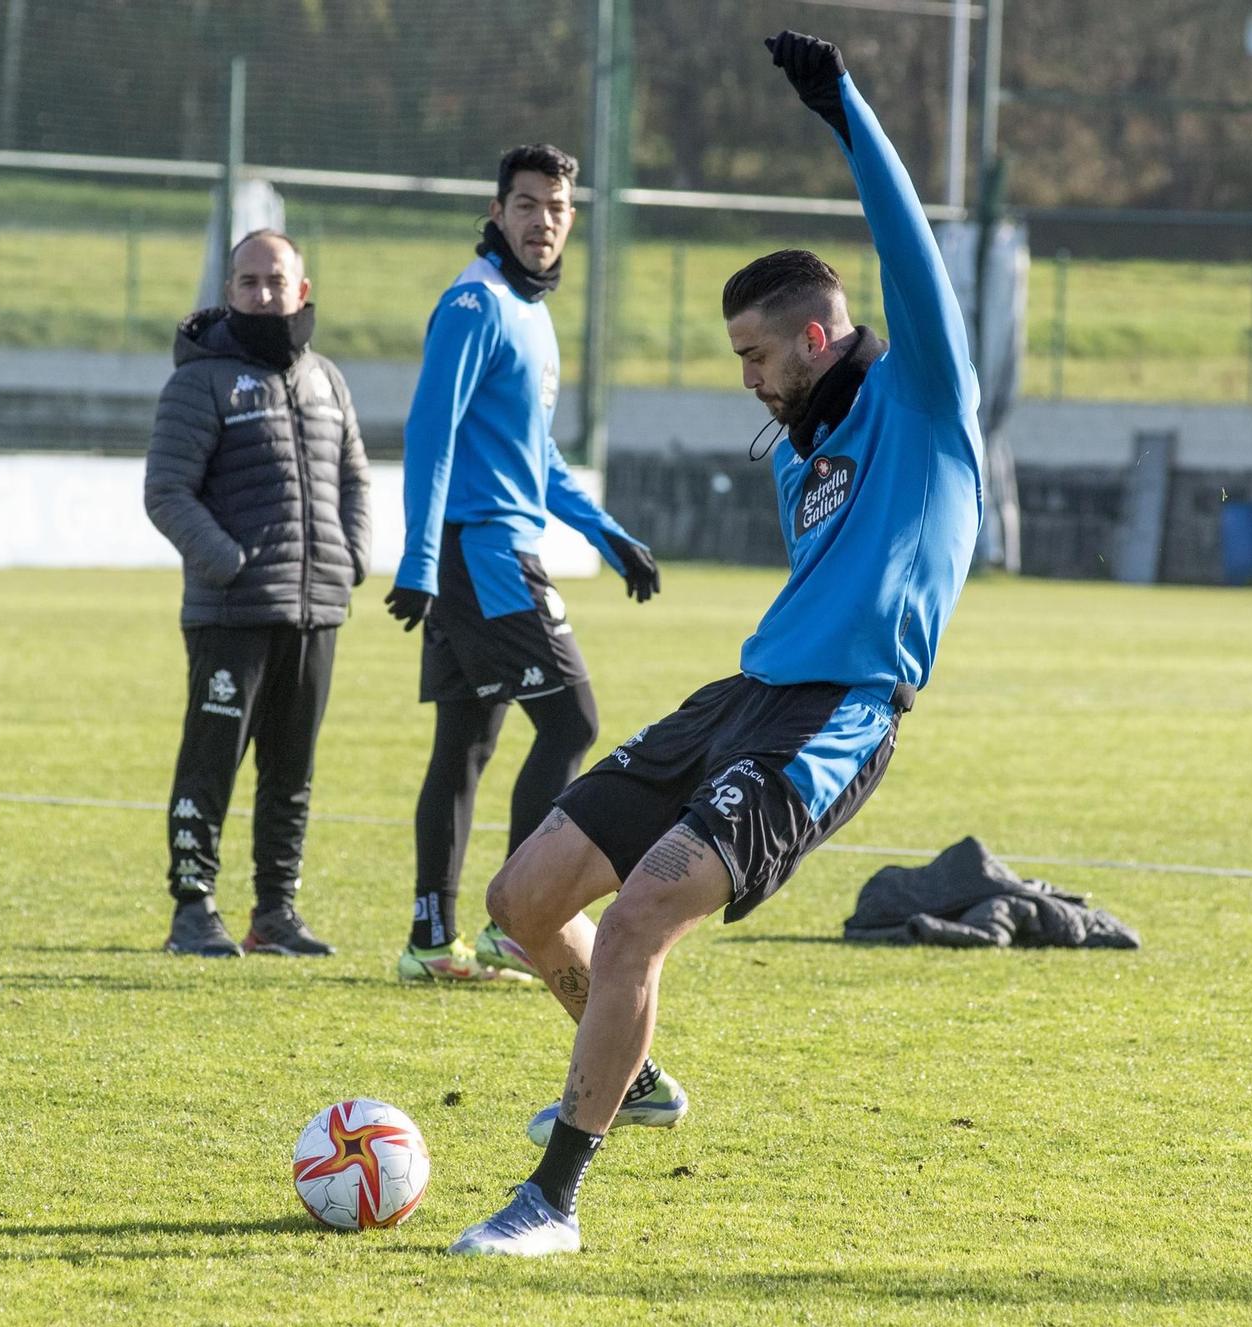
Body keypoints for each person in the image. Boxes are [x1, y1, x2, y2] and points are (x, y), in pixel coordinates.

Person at [447, 31, 984, 1256]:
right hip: (740, 695)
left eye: (754, 355)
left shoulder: (922, 399)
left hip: (836, 716)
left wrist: (842, 107)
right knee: (523, 901)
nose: (745, 379)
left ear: (812, 337)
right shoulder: (803, 449)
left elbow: (907, 245)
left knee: (639, 917)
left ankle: (552, 1202)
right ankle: (626, 1076)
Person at [385, 143, 662, 984]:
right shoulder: (474, 304)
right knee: (572, 721)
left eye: (559, 208)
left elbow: (534, 457)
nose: (545, 221)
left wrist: (608, 532)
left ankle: (432, 940)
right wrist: (419, 562)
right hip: (486, 557)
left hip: (491, 551)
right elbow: (429, 436)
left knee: (466, 744)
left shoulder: (528, 313)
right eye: (528, 204)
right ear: (498, 211)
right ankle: (525, 921)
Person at [144, 229, 370, 958]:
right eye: (248, 281)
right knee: (209, 766)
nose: (263, 293)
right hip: (231, 609)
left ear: (302, 291)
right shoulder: (200, 381)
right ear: (229, 292)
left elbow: (355, 480)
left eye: (276, 280)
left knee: (291, 771)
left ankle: (275, 911)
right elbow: (166, 492)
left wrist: (352, 557)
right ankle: (193, 908)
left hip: (316, 609)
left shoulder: (327, 380)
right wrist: (228, 562)